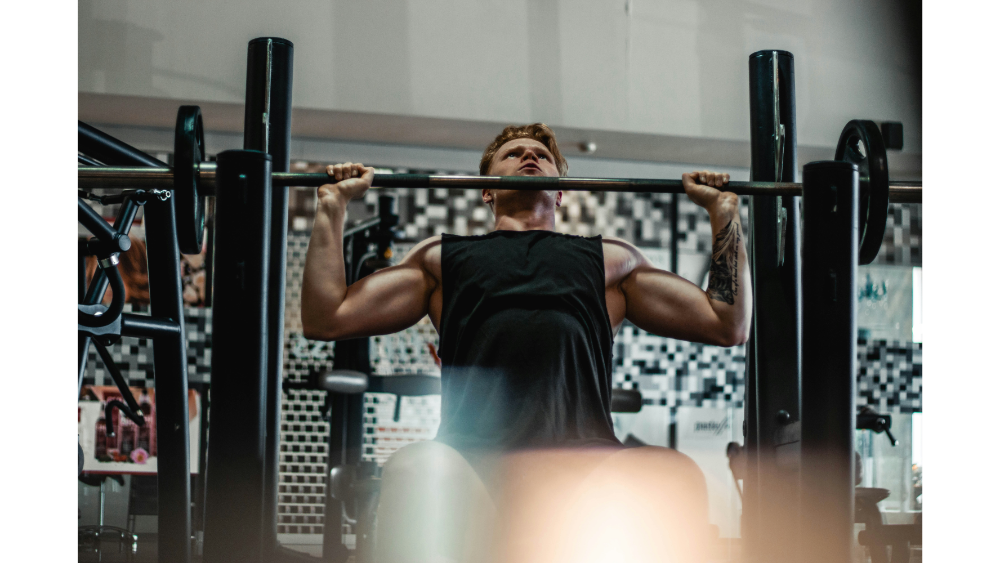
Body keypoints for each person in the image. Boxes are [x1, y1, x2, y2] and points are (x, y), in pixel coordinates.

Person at [301, 123, 751, 563]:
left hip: (585, 453)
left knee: (673, 475)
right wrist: (332, 206)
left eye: (541, 155)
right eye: (513, 154)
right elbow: (327, 317)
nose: (529, 157)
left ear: (559, 190)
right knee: (413, 468)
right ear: (487, 189)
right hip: (470, 453)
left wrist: (722, 212)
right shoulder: (442, 258)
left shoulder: (609, 260)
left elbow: (725, 323)